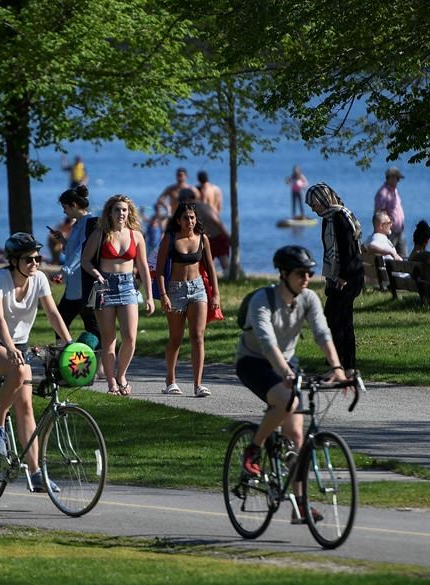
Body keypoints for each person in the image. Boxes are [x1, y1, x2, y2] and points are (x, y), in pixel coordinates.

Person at [235, 245, 347, 524]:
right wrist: (285, 373)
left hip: (286, 363)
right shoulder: (263, 299)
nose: (307, 278)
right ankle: (254, 449)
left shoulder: (308, 299)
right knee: (287, 400)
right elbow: (266, 341)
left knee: (297, 439)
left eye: (309, 273)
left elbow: (322, 333)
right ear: (284, 274)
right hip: (254, 362)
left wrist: (337, 367)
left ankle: (299, 507)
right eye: (301, 274)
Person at [0, 233, 73, 490]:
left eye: (38, 258)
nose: (35, 263)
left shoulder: (39, 280)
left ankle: (36, 474)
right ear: (14, 261)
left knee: (26, 406)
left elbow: (53, 313)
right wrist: (11, 347)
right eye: (29, 259)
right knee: (21, 368)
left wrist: (69, 343)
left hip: (17, 344)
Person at [81, 194, 155, 396]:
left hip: (128, 286)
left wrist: (149, 296)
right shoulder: (100, 234)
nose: (121, 213)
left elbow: (143, 267)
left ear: (129, 212)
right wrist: (96, 274)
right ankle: (112, 382)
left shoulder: (136, 235)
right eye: (117, 210)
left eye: (124, 210)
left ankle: (121, 374)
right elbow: (85, 260)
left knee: (130, 337)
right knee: (109, 338)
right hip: (105, 286)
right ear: (110, 212)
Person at [156, 201, 220, 398]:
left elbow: (210, 268)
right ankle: (170, 380)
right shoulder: (170, 238)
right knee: (176, 339)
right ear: (178, 220)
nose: (190, 221)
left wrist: (215, 294)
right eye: (185, 218)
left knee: (198, 337)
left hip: (198, 289)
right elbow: (159, 271)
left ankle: (198, 384)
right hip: (175, 290)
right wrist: (164, 295)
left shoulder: (203, 239)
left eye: (192, 217)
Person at [305, 183, 364, 372]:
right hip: (339, 277)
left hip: (349, 277)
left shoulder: (339, 217)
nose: (313, 209)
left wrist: (342, 277)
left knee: (335, 320)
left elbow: (349, 250)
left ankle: (340, 366)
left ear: (323, 200)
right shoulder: (328, 219)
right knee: (341, 320)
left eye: (314, 204)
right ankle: (346, 366)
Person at [50, 185, 101, 344]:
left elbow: (82, 252)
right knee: (61, 321)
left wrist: (64, 270)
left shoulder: (91, 223)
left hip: (84, 283)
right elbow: (75, 251)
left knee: (90, 324)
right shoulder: (78, 224)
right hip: (75, 283)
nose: (64, 211)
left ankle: (95, 359)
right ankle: (65, 356)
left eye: (65, 207)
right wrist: (64, 242)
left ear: (74, 205)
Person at [178, 188, 230, 272]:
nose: (181, 203)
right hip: (207, 239)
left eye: (182, 200)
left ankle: (232, 278)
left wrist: (227, 237)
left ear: (189, 198)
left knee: (224, 262)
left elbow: (217, 222)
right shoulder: (191, 209)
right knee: (204, 265)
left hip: (217, 237)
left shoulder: (201, 207)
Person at [374, 167, 407, 257]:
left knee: (403, 257)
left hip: (400, 231)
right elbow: (379, 214)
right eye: (397, 178)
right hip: (389, 232)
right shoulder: (383, 193)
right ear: (391, 177)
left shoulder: (394, 191)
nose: (398, 181)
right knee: (389, 257)